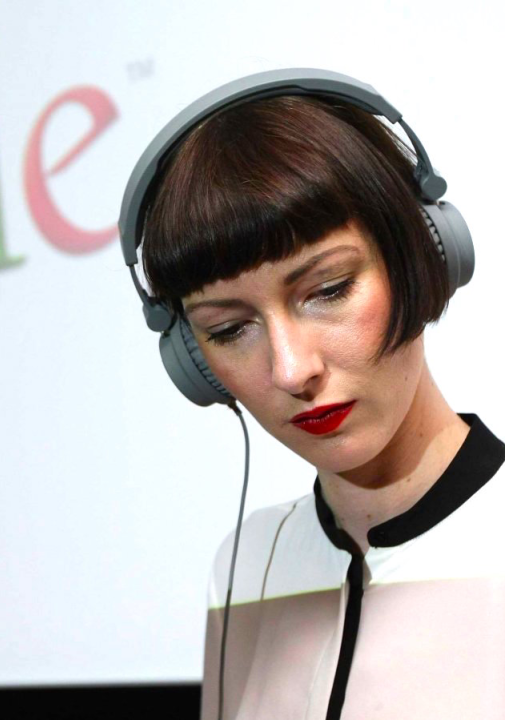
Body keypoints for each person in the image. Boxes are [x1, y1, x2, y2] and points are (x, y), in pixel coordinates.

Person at [122, 72, 505, 719]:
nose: (292, 369)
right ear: (194, 360)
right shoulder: (248, 564)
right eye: (229, 329)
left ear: (424, 252)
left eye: (328, 290)